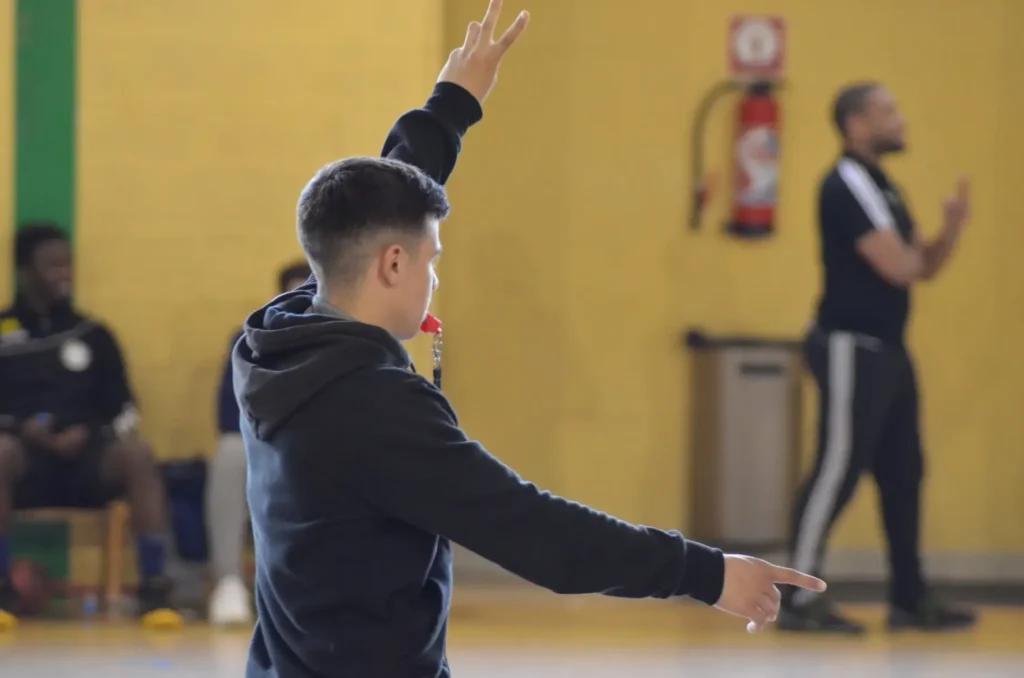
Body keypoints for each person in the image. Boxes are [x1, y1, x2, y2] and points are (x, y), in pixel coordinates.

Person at [236, 2, 824, 676]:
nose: (434, 277)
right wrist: (705, 572)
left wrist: (452, 104)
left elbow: (375, 205)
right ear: (393, 265)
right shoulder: (373, 406)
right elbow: (538, 533)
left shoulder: (276, 343)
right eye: (432, 260)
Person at [778, 83, 976, 633]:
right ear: (855, 125)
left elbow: (923, 266)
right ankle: (796, 597)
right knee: (837, 469)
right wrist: (919, 253)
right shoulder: (847, 182)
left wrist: (951, 230)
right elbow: (900, 266)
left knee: (904, 471)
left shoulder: (885, 186)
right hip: (851, 346)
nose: (901, 119)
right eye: (888, 111)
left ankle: (909, 598)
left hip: (889, 348)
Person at [0, 223, 181, 630]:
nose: (64, 274)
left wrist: (90, 432)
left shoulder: (94, 335)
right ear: (25, 272)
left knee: (137, 454)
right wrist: (21, 429)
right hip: (25, 464)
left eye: (68, 264)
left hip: (87, 462)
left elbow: (126, 409)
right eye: (52, 266)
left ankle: (155, 588)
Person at [206, 260, 311, 627]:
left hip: (325, 447)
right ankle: (229, 583)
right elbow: (227, 414)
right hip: (267, 443)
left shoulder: (351, 341)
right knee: (230, 453)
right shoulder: (250, 340)